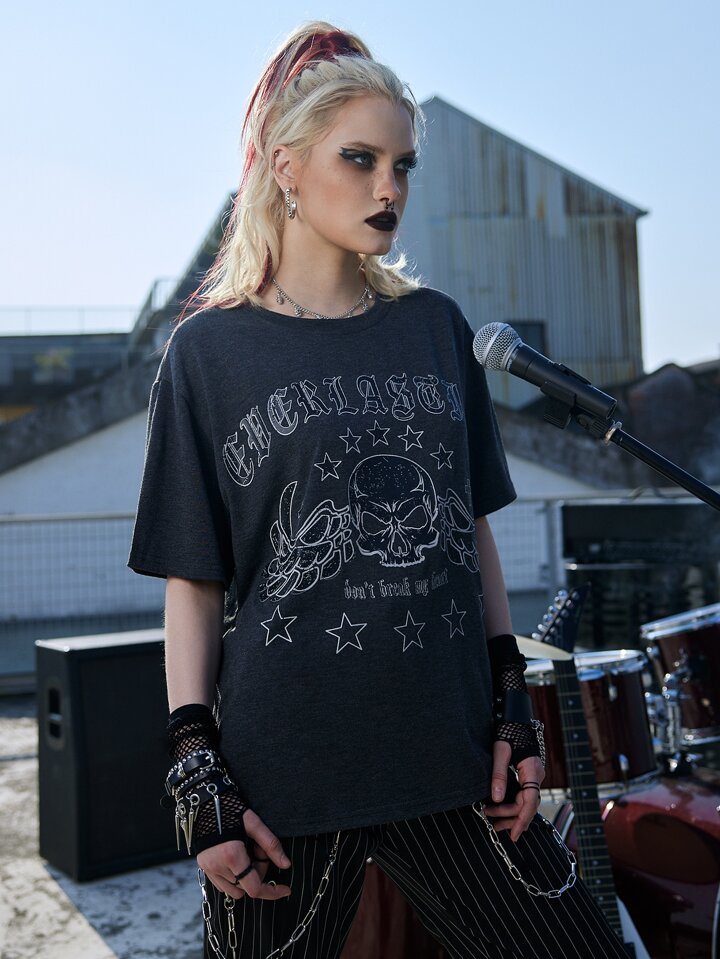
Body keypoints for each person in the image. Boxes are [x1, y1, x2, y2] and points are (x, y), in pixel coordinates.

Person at [128, 21, 630, 959]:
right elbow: (192, 579)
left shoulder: (436, 328)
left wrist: (513, 706)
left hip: (454, 763)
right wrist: (196, 767)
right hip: (283, 781)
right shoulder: (207, 353)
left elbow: (470, 532)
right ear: (285, 165)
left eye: (402, 165)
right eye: (358, 159)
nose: (387, 187)